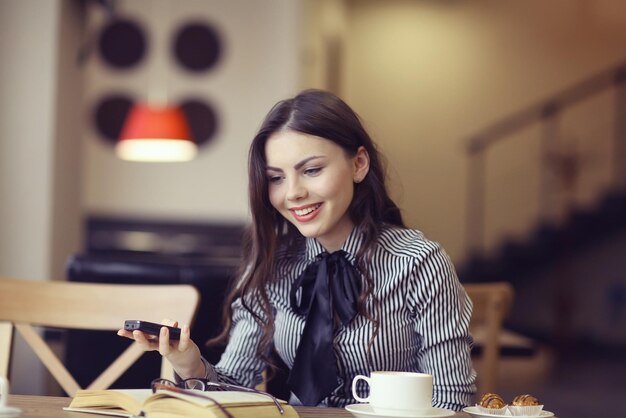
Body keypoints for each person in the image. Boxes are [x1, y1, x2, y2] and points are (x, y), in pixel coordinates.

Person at [118, 89, 476, 411]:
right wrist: (189, 363)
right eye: (276, 178)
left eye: (312, 170)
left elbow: (451, 399)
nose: (292, 193)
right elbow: (237, 387)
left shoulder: (417, 262)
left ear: (359, 164)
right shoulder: (274, 265)